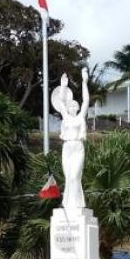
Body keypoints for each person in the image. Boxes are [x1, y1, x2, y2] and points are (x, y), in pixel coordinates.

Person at [51, 68, 89, 210]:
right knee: (68, 177)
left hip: (77, 147)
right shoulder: (65, 117)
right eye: (70, 105)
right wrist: (63, 87)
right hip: (67, 148)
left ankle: (76, 204)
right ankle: (69, 204)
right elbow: (61, 101)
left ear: (78, 108)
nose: (72, 107)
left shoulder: (80, 117)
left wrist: (84, 82)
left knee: (74, 176)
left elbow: (86, 100)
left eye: (74, 105)